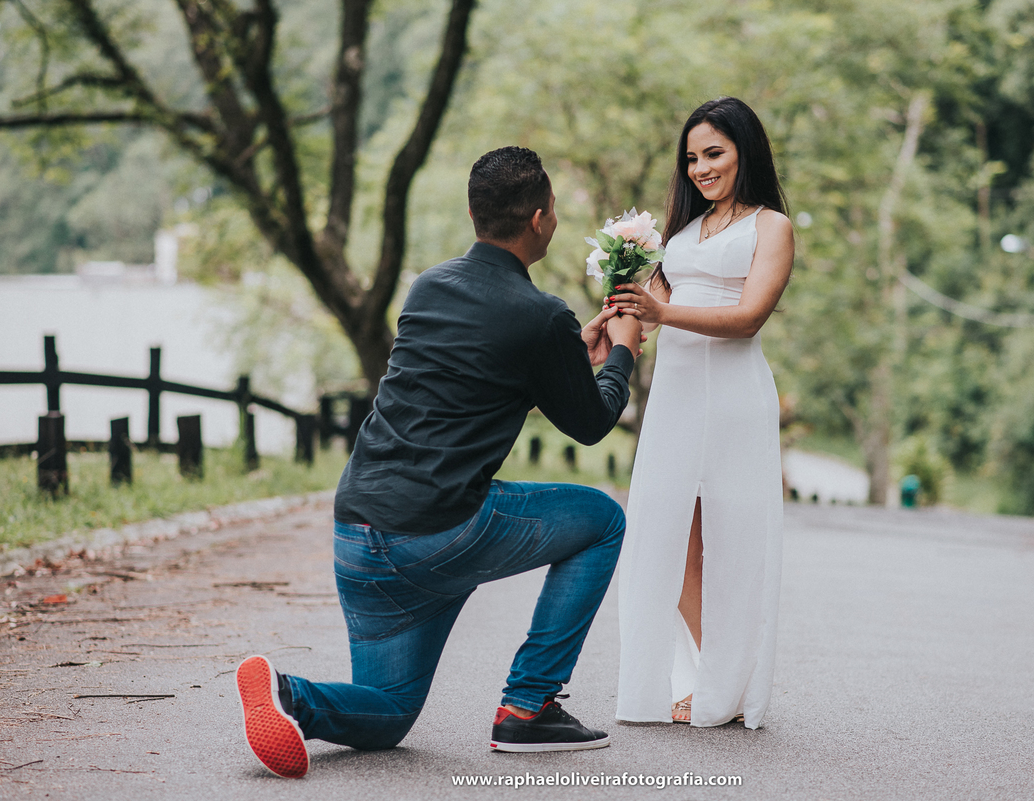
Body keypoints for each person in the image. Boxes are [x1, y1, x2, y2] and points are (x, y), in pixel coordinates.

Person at [234, 146, 644, 778]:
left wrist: (567, 355)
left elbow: (468, 390)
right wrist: (622, 353)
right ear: (539, 219)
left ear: (475, 212)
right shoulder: (541, 316)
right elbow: (592, 424)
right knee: (602, 518)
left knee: (391, 714)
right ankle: (529, 707)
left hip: (358, 528)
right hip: (437, 533)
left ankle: (290, 697)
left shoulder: (429, 286)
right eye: (554, 209)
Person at [608, 97, 794, 728]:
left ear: (746, 151)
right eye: (691, 158)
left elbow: (747, 319)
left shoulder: (771, 228)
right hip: (677, 399)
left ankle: (727, 685)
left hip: (737, 398)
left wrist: (664, 313)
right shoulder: (683, 234)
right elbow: (645, 307)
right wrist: (598, 327)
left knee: (733, 541)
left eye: (714, 153)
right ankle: (712, 675)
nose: (700, 169)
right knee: (671, 537)